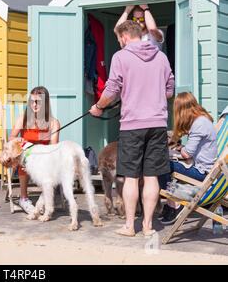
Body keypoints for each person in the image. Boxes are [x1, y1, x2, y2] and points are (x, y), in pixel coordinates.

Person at [90, 20, 175, 237]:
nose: (120, 43)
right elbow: (170, 91)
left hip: (132, 126)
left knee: (131, 177)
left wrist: (99, 107)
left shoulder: (121, 57)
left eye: (119, 39)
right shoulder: (162, 57)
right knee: (152, 176)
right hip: (157, 124)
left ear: (125, 36)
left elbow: (112, 89)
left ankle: (130, 226)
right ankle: (147, 225)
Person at [158, 92, 218, 225]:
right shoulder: (203, 120)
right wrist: (181, 149)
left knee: (162, 164)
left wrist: (179, 151)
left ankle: (174, 203)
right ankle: (171, 202)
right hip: (204, 168)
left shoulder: (198, 124)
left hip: (203, 173)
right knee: (165, 163)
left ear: (183, 110)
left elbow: (187, 154)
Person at [6, 86, 60, 214]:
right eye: (32, 101)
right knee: (24, 161)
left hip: (44, 156)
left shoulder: (53, 123)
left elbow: (53, 147)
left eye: (38, 101)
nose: (34, 104)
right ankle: (23, 198)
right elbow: (11, 138)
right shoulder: (23, 119)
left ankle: (45, 199)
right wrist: (21, 142)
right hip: (27, 155)